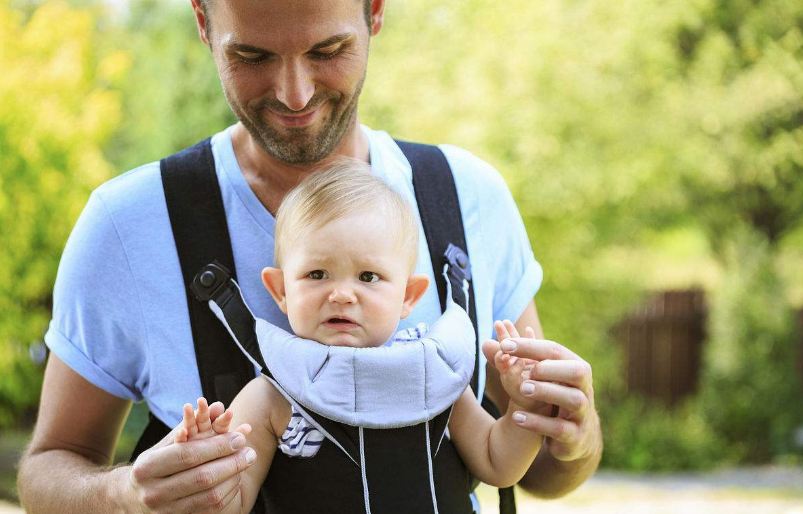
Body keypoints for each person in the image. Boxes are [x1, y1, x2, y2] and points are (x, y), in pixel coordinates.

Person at [17, 0, 602, 512]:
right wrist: (125, 498)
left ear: (375, 11)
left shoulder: (469, 197)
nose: (293, 93)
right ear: (202, 19)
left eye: (328, 50)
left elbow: (543, 470)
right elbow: (48, 470)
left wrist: (573, 433)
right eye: (252, 56)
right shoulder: (127, 224)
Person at [170, 161, 545, 512]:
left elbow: (499, 463)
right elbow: (233, 504)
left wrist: (525, 406)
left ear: (409, 297)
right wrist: (205, 463)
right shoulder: (272, 395)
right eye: (317, 274)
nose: (341, 295)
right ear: (281, 290)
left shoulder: (432, 371)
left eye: (368, 277)